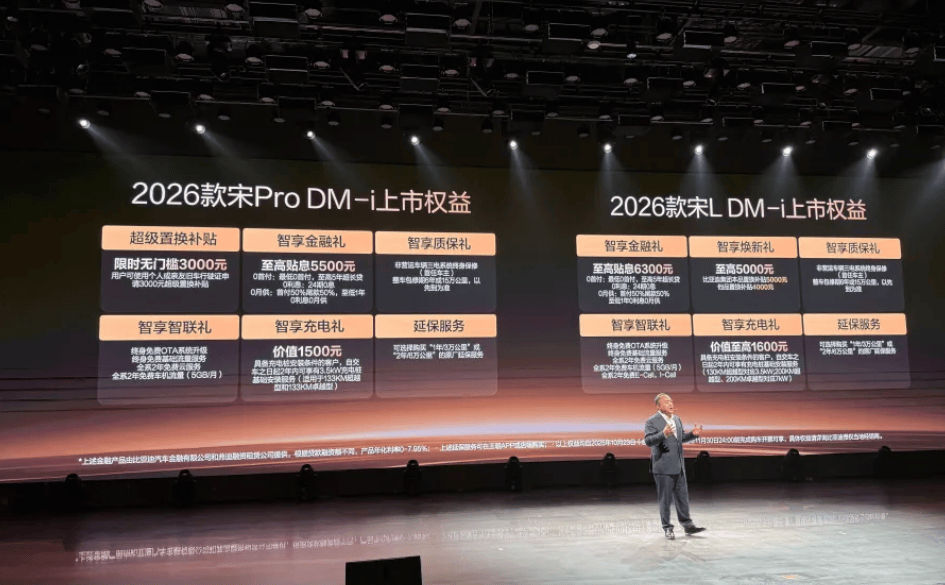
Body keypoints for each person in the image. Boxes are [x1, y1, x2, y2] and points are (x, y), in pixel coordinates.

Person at [643, 393, 707, 540]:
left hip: (679, 466)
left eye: (671, 401)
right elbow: (649, 441)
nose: (670, 404)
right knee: (665, 501)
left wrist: (693, 434)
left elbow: (681, 438)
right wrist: (663, 434)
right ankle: (667, 528)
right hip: (663, 467)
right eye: (666, 402)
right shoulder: (652, 421)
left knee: (682, 498)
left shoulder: (676, 419)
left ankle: (688, 526)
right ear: (658, 406)